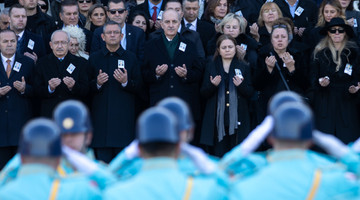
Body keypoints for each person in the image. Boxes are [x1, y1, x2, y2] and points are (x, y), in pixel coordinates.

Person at [229, 102, 359, 199]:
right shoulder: (332, 178)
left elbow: (218, 174)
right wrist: (343, 152)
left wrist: (248, 144)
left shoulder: (243, 182)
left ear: (270, 138)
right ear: (310, 141)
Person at [103, 107, 228, 200]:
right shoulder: (207, 190)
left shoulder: (116, 193)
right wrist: (212, 169)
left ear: (138, 148)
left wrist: (125, 156)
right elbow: (233, 190)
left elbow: (100, 182)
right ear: (179, 146)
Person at [109, 97, 217, 178]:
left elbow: (108, 179)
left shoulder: (134, 168)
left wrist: (127, 154)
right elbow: (228, 184)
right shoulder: (202, 165)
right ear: (191, 131)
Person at [0, 118, 102, 199]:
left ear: (21, 158)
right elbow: (112, 187)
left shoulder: (5, 193)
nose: (69, 139)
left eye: (74, 134)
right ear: (58, 161)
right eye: (64, 135)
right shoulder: (81, 190)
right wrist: (94, 169)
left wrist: (15, 162)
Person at [89, 21, 142, 163]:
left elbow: (141, 88)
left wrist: (126, 82)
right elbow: (85, 89)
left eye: (116, 32)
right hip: (101, 126)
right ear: (103, 37)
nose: (112, 35)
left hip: (124, 126)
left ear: (122, 35)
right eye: (109, 33)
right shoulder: (94, 58)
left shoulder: (131, 58)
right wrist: (97, 83)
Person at [142, 9, 203, 128]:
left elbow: (198, 72)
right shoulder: (150, 46)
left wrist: (186, 74)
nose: (171, 25)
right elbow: (143, 73)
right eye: (167, 22)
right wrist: (156, 74)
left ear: (179, 23)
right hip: (159, 102)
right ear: (162, 24)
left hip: (183, 102)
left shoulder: (190, 45)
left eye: (174, 21)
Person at [200, 34, 254, 157]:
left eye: (230, 47)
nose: (228, 50)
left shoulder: (244, 66)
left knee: (236, 156)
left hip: (238, 120)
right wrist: (213, 85)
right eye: (224, 47)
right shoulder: (210, 66)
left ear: (235, 49)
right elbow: (203, 93)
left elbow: (250, 92)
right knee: (219, 156)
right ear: (218, 50)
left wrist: (241, 85)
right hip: (217, 121)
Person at [309, 17, 360, 144]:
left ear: (345, 33)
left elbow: (357, 77)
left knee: (347, 142)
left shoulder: (354, 52)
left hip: (347, 103)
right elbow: (312, 79)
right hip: (325, 103)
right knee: (325, 144)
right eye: (333, 30)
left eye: (340, 30)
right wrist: (321, 83)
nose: (337, 33)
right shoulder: (319, 53)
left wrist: (354, 89)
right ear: (328, 33)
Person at [253, 22, 310, 121]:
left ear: (288, 40)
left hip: (292, 106)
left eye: (283, 37)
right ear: (271, 40)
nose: (280, 39)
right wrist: (268, 69)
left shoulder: (298, 55)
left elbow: (306, 85)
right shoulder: (263, 55)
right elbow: (257, 85)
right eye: (276, 37)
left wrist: (292, 69)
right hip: (269, 107)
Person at [0, 29, 35, 170]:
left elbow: (37, 90)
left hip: (20, 128)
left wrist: (24, 89)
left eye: (12, 41)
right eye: (5, 41)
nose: (9, 44)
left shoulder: (27, 63)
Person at [34, 30, 89, 118]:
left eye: (63, 42)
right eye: (56, 43)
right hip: (50, 115)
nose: (60, 46)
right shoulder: (41, 63)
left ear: (68, 44)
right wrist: (49, 88)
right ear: (51, 45)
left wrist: (73, 86)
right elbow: (36, 90)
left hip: (72, 114)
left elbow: (86, 90)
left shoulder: (81, 63)